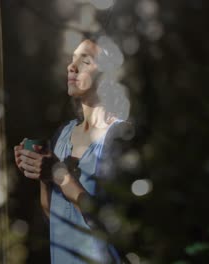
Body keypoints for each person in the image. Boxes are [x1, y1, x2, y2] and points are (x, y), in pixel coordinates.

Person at [14, 36, 133, 264]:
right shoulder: (62, 135)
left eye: (85, 61)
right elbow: (53, 215)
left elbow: (113, 225)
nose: (72, 66)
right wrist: (41, 171)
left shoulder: (119, 136)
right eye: (73, 59)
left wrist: (61, 175)